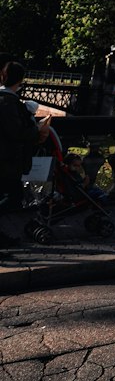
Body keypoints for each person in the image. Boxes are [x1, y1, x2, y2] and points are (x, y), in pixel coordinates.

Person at [0, 60, 43, 246]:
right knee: (12, 197)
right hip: (7, 159)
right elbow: (16, 133)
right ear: (20, 80)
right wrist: (37, 130)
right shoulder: (8, 102)